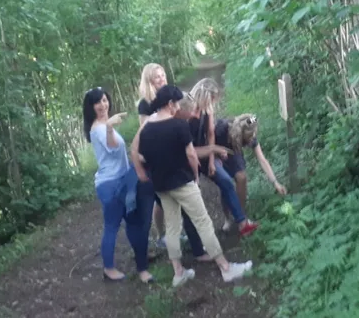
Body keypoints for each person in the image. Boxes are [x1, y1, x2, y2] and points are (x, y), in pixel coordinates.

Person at [134, 85, 252, 287]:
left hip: (161, 185)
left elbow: (141, 155)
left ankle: (178, 272)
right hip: (183, 181)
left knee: (172, 227)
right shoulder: (178, 125)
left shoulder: (146, 128)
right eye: (177, 103)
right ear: (170, 104)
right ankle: (226, 268)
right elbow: (191, 155)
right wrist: (196, 177)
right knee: (203, 222)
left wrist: (147, 170)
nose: (179, 107)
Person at [136, 63, 208, 259]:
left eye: (163, 75)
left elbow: (176, 115)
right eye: (157, 77)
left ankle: (178, 244)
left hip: (174, 154)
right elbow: (144, 133)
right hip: (158, 159)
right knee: (166, 202)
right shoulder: (145, 103)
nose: (162, 79)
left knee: (169, 202)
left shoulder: (169, 96)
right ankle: (166, 238)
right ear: (149, 81)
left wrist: (190, 116)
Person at [83, 87, 154, 283]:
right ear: (91, 107)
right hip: (110, 184)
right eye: (98, 102)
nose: (103, 105)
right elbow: (114, 149)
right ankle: (108, 268)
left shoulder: (103, 125)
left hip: (123, 180)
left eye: (105, 100)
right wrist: (109, 127)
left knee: (131, 222)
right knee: (112, 226)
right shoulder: (98, 128)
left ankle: (141, 260)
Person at [188, 78, 259, 237]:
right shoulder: (188, 112)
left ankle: (242, 223)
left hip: (205, 152)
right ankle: (196, 238)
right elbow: (187, 149)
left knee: (226, 180)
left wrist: (212, 160)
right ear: (205, 95)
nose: (213, 103)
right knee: (191, 196)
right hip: (187, 156)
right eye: (212, 99)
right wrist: (213, 150)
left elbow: (211, 134)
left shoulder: (208, 109)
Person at [217, 113, 287, 233]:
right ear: (241, 135)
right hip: (219, 150)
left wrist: (276, 183)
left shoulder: (249, 130)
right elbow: (209, 137)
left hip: (235, 150)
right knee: (225, 183)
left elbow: (262, 159)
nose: (253, 138)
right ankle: (227, 218)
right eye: (250, 137)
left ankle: (241, 216)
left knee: (242, 177)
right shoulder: (222, 129)